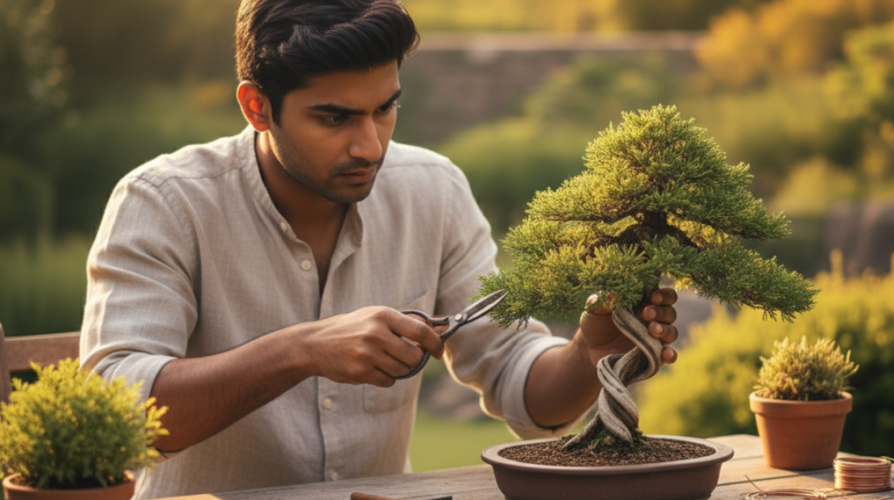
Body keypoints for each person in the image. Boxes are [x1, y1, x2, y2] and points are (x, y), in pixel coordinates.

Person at [79, 0, 679, 498]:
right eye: (334, 118)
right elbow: (117, 409)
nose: (370, 145)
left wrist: (586, 355)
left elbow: (513, 376)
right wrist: (301, 350)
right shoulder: (163, 202)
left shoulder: (433, 190)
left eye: (385, 108)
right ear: (256, 106)